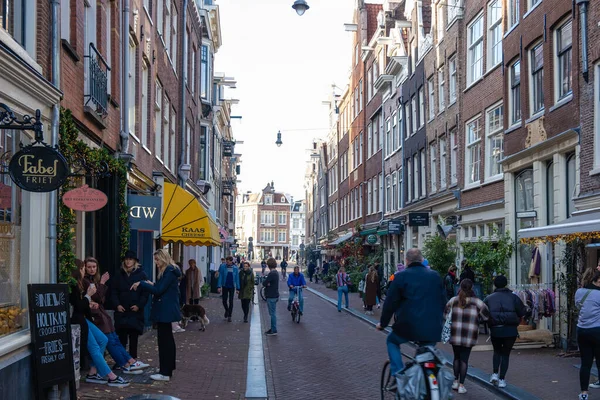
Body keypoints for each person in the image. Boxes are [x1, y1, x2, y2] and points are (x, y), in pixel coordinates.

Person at [376, 248, 446, 376]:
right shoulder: (435, 276)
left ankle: (399, 375)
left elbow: (390, 304)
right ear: (422, 260)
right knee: (427, 356)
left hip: (408, 327)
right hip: (432, 327)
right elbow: (443, 301)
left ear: (406, 261)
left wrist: (383, 323)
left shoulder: (400, 277)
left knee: (392, 341)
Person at [70, 260, 131, 387]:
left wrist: (90, 303)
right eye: (83, 268)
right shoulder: (75, 286)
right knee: (95, 347)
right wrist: (88, 297)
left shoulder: (81, 284)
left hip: (85, 318)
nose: (85, 271)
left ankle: (92, 372)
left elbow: (90, 302)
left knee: (103, 339)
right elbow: (79, 306)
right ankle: (111, 377)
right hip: (79, 320)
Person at [83, 257, 149, 374]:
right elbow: (99, 297)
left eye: (94, 267)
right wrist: (103, 284)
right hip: (95, 317)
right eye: (89, 267)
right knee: (109, 340)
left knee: (113, 339)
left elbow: (101, 298)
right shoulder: (86, 281)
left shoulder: (94, 280)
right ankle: (124, 363)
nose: (92, 269)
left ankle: (130, 361)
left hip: (102, 314)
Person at [131, 249, 182, 381]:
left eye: (157, 260)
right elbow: (162, 288)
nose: (156, 263)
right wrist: (151, 284)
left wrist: (142, 284)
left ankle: (165, 372)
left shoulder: (169, 271)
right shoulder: (170, 271)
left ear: (163, 259)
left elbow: (158, 291)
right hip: (167, 309)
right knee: (167, 340)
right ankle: (167, 369)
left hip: (165, 310)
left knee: (164, 340)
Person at [445, 278, 490, 394]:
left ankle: (455, 381)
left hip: (455, 334)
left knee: (456, 358)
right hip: (469, 335)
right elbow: (486, 316)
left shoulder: (453, 300)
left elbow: (445, 314)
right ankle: (461, 385)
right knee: (464, 360)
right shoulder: (477, 302)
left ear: (460, 287)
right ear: (472, 288)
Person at [484, 275, 528, 388]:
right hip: (510, 330)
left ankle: (494, 374)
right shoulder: (514, 297)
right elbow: (522, 311)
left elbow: (483, 313)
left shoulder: (489, 298)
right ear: (506, 284)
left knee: (497, 351)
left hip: (495, 329)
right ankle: (502, 379)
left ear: (495, 285)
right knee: (505, 354)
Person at [110, 250, 150, 362]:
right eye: (126, 259)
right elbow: (113, 291)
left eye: (130, 259)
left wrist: (139, 305)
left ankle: (133, 359)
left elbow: (145, 292)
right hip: (122, 310)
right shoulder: (118, 274)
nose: (128, 261)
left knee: (134, 337)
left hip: (135, 311)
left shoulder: (141, 274)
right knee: (121, 337)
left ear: (135, 261)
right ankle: (122, 360)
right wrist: (117, 305)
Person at [576, 268, 600, 400]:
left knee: (586, 363)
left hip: (582, 330)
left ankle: (584, 394)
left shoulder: (579, 292)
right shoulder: (598, 294)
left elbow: (579, 306)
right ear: (595, 280)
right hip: (597, 331)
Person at [217, 256, 240, 322]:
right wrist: (219, 286)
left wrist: (238, 288)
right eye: (226, 261)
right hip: (225, 286)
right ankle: (227, 310)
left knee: (231, 301)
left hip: (232, 286)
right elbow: (220, 276)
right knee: (224, 300)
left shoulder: (235, 268)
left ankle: (230, 315)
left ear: (231, 261)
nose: (227, 263)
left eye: (228, 261)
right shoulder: (223, 267)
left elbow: (237, 278)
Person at [263, 258, 279, 335]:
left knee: (272, 314)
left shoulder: (272, 274)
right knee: (273, 313)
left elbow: (264, 283)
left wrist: (267, 283)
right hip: (275, 294)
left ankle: (273, 329)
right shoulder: (276, 273)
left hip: (271, 295)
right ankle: (273, 328)